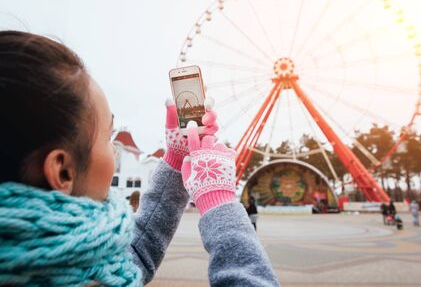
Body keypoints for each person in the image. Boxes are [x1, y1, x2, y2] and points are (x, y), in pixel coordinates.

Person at [0, 31, 279, 286]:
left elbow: (132, 258)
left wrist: (177, 159)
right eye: (109, 137)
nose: (115, 152)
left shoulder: (58, 266)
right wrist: (220, 204)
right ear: (62, 172)